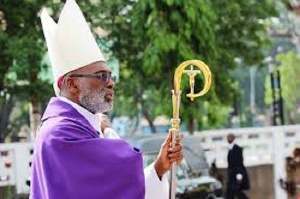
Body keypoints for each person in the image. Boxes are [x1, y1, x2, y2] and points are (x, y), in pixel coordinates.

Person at [30, 0, 184, 199]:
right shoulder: (60, 133)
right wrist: (108, 130)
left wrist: (160, 167)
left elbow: (112, 189)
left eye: (111, 76)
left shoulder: (84, 127)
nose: (111, 83)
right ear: (72, 84)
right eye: (102, 76)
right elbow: (123, 168)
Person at [226, 133, 250, 199]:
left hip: (236, 176)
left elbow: (239, 163)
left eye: (230, 137)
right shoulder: (229, 148)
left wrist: (239, 176)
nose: (228, 139)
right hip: (231, 176)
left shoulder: (237, 149)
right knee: (230, 193)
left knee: (238, 193)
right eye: (228, 138)